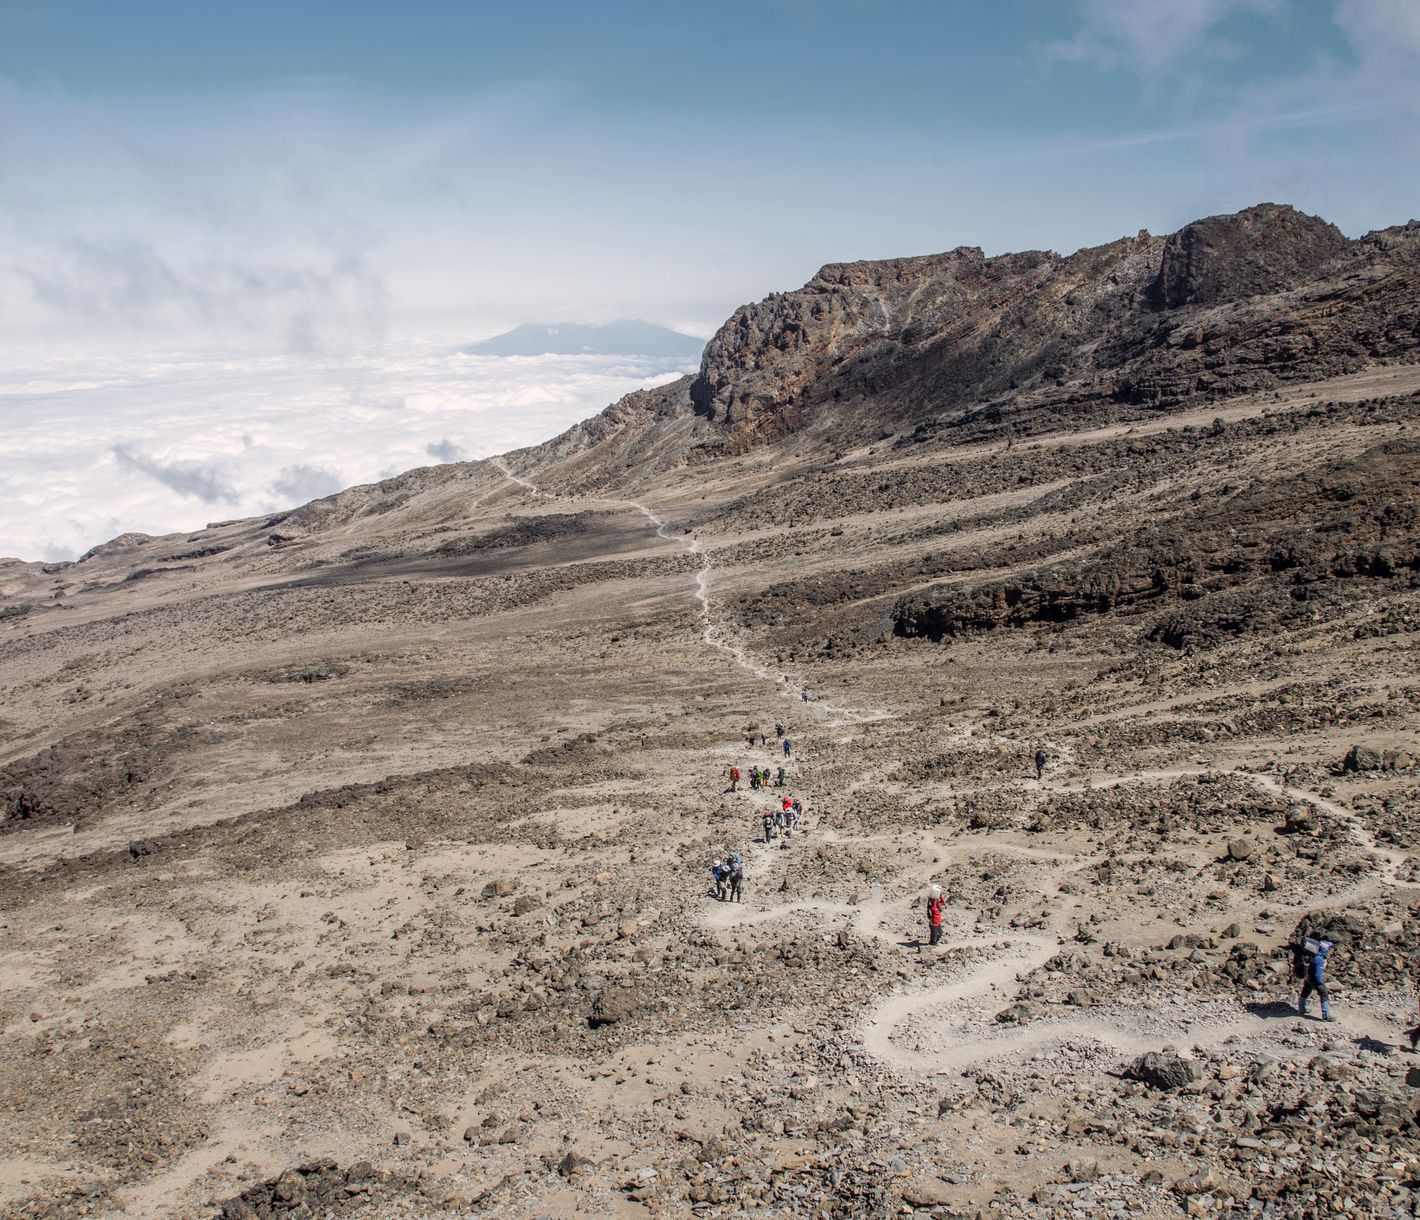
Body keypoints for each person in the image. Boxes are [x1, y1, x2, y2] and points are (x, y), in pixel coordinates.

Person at [1293, 935, 1336, 1021]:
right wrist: (1321, 982)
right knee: (1324, 993)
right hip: (1315, 979)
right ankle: (1326, 1015)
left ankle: (1301, 1009)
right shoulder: (1319, 959)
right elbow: (1317, 975)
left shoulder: (1312, 956)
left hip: (1308, 977)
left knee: (1305, 992)